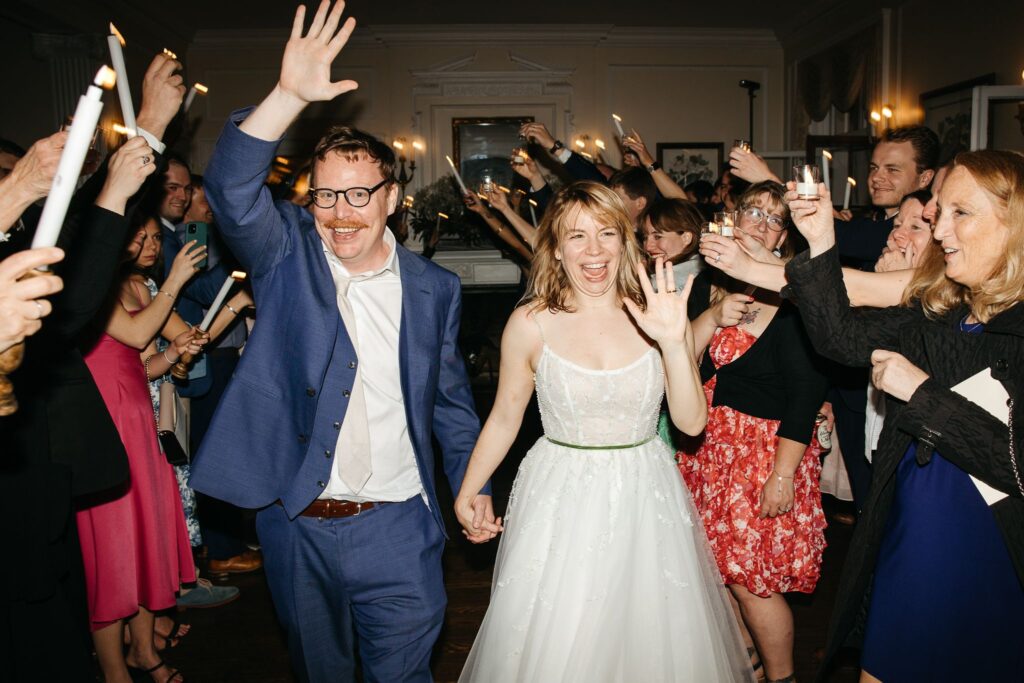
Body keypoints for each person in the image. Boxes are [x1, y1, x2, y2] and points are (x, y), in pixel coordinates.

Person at [188, 3, 491, 680]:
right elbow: (231, 188)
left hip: (401, 526)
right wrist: (288, 96)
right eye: (325, 196)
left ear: (392, 198)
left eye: (358, 194)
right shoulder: (283, 255)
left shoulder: (434, 288)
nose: (340, 213)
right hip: (298, 524)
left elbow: (449, 404)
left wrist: (475, 485)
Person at [455, 181, 753, 682]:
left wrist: (674, 343)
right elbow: (505, 416)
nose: (593, 251)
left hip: (645, 491)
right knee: (562, 630)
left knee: (649, 635)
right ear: (555, 248)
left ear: (626, 241)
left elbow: (691, 423)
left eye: (606, 234)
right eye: (576, 237)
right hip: (559, 494)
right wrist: (469, 488)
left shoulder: (661, 311)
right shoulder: (529, 323)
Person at [785, 150, 1024, 682]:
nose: (940, 230)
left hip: (990, 554)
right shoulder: (942, 313)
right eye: (941, 213)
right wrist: (822, 240)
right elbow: (839, 339)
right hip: (912, 537)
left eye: (961, 213)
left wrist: (921, 394)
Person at [679, 180, 828, 683]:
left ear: (785, 235)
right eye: (754, 212)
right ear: (734, 217)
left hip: (766, 454)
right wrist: (712, 317)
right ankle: (746, 667)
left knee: (754, 581)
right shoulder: (706, 284)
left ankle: (782, 677)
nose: (762, 224)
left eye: (775, 218)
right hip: (708, 449)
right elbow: (680, 365)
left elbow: (807, 395)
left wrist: (782, 475)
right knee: (715, 572)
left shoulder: (798, 295)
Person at [77, 208, 207, 683]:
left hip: (139, 420)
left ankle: (144, 651)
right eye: (141, 236)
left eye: (156, 237)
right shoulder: (89, 286)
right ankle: (115, 671)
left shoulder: (140, 287)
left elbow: (147, 362)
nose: (152, 245)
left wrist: (182, 347)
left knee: (145, 538)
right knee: (111, 551)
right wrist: (175, 279)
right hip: (103, 423)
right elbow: (132, 334)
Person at [642, 197, 704, 287]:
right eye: (645, 237)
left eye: (657, 237)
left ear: (686, 238)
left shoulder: (671, 283)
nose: (647, 246)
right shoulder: (703, 272)